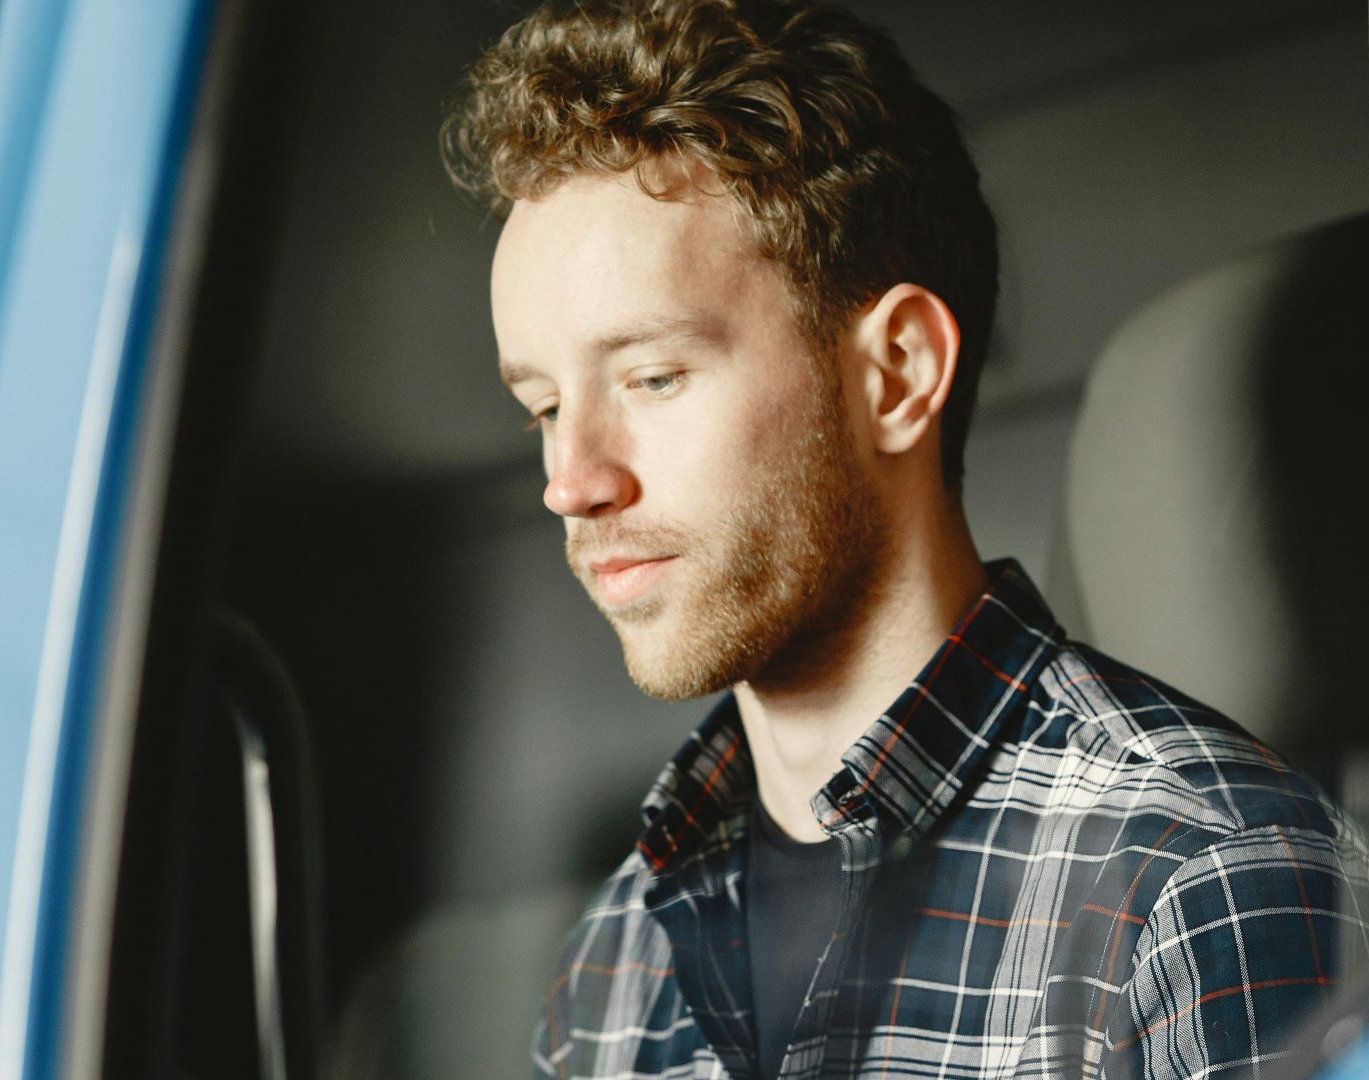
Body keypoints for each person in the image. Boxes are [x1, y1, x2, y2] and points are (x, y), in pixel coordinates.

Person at [439, 1, 1369, 1076]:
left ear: (899, 373)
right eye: (546, 406)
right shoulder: (613, 959)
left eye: (653, 377)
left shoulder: (1197, 878)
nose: (571, 480)